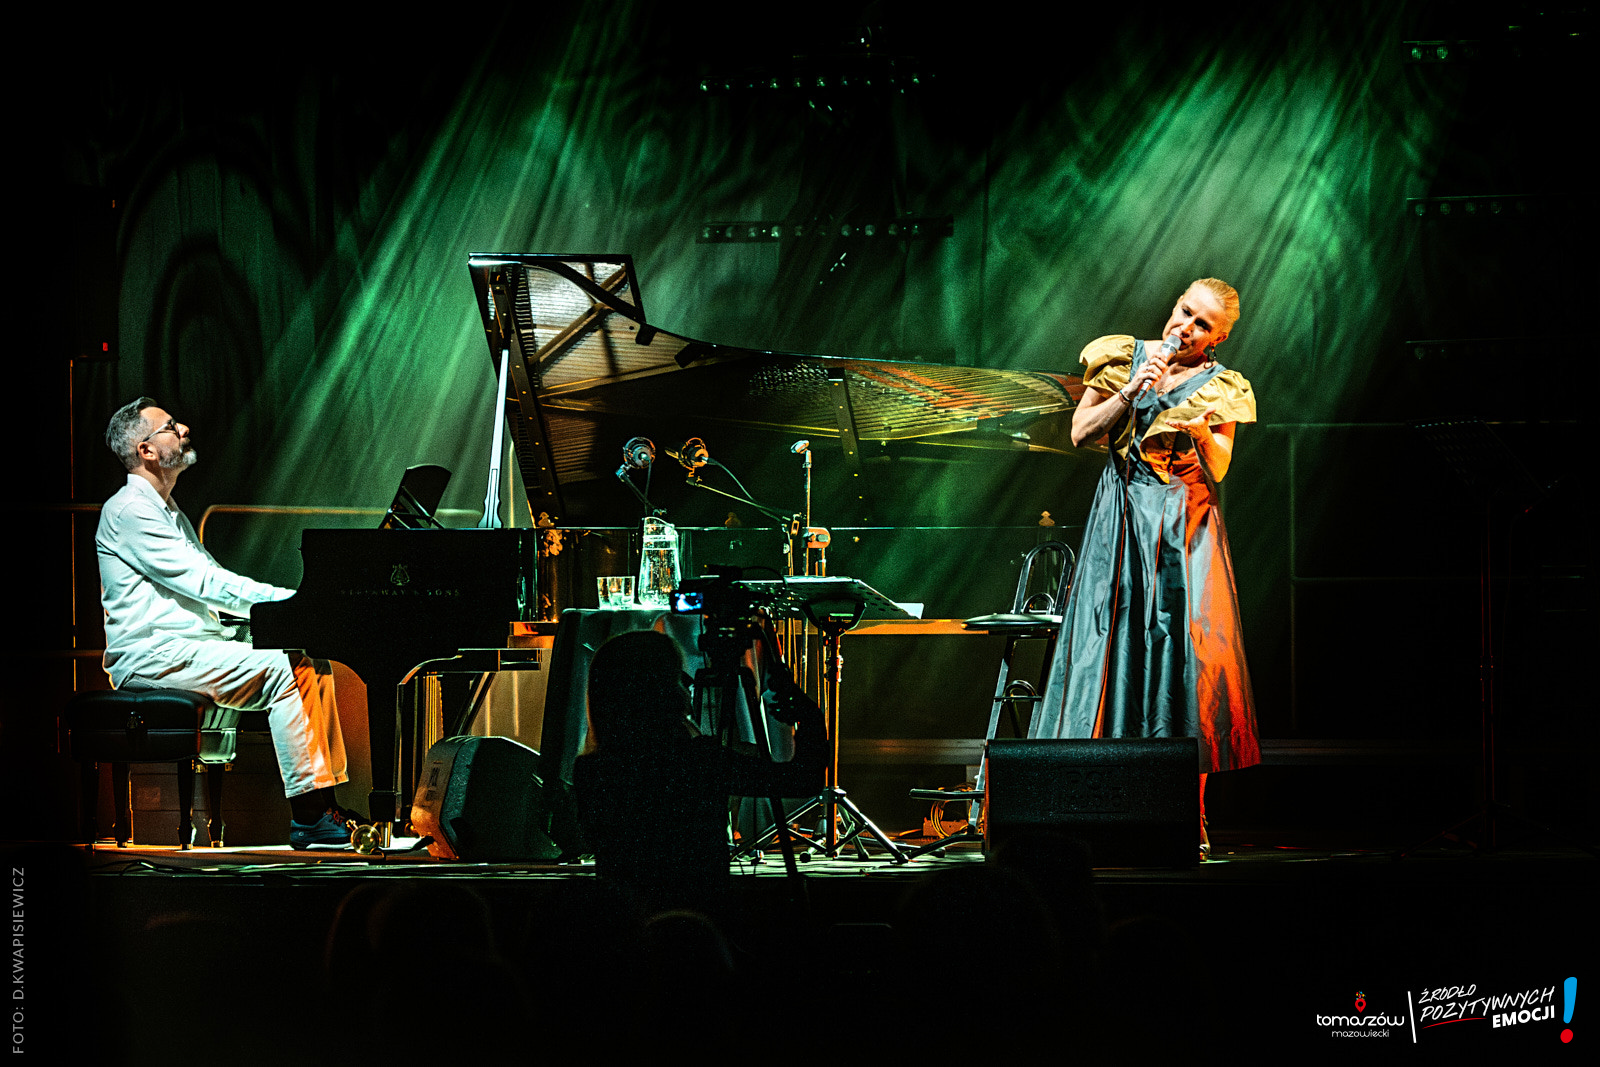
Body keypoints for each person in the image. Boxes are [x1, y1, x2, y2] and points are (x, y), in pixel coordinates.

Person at [1030, 279, 1260, 857]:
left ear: (1218, 338)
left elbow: (1220, 467)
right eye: (1186, 312)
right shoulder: (1120, 357)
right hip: (1121, 518)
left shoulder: (1223, 384)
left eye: (1203, 325)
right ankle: (1097, 808)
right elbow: (1081, 432)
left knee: (1185, 659)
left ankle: (1189, 813)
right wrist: (1132, 391)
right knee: (1109, 651)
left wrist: (1203, 432)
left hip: (1185, 525)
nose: (1187, 327)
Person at [96, 397, 353, 848]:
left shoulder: (166, 509)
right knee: (285, 669)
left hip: (184, 647)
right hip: (152, 656)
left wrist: (285, 612)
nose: (184, 429)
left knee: (311, 660)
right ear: (146, 451)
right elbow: (207, 584)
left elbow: (210, 585)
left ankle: (326, 805)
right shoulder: (130, 510)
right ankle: (310, 815)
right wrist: (294, 602)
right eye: (170, 426)